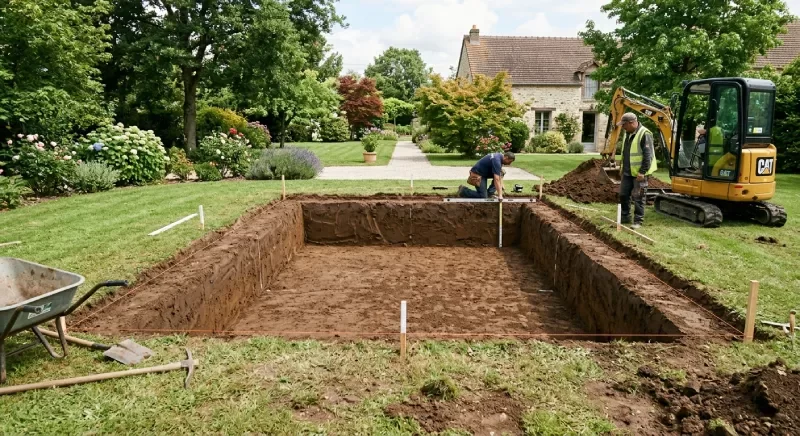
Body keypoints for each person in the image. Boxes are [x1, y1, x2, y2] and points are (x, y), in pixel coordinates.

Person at [617, 112, 657, 229]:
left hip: (640, 173)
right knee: (623, 194)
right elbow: (625, 152)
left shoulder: (645, 134)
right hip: (628, 171)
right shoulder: (627, 133)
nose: (623, 127)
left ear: (632, 123)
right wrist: (622, 167)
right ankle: (625, 217)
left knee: (638, 196)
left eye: (624, 125)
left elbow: (647, 155)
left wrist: (642, 172)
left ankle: (638, 221)